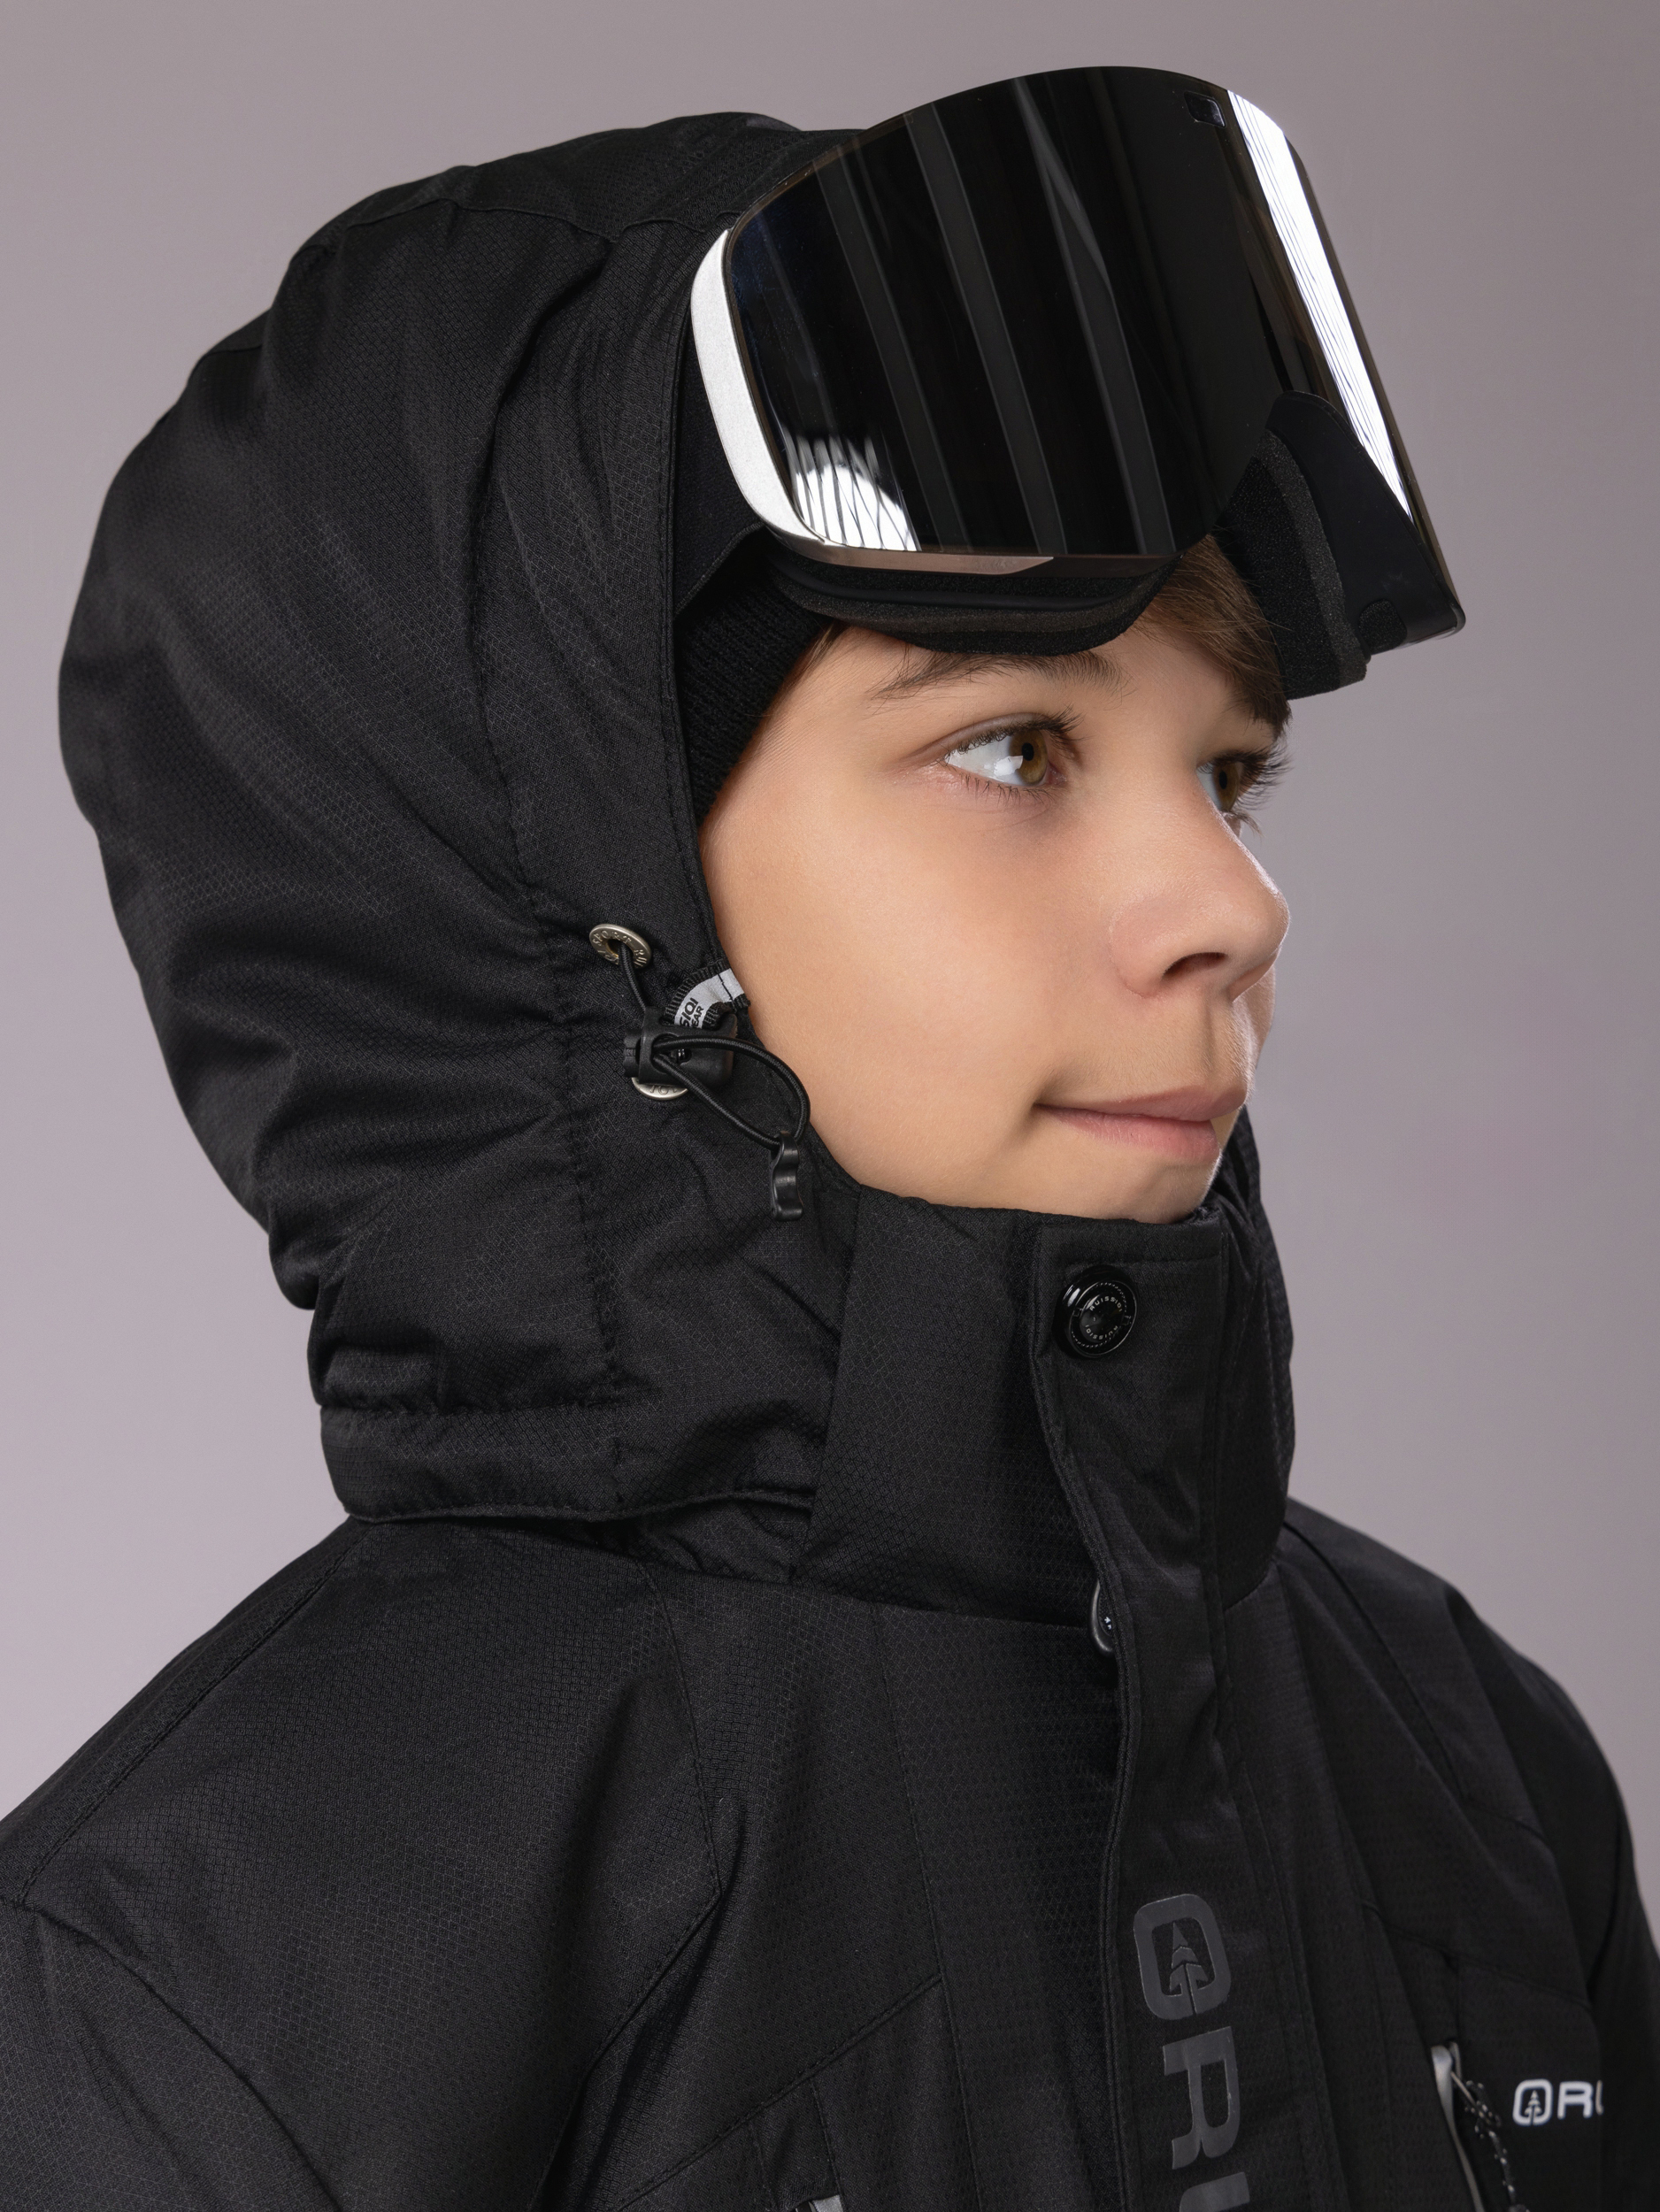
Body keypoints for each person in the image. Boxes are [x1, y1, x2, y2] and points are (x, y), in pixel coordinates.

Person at [3, 69, 1655, 2211]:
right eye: (1012, 745)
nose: (1230, 904)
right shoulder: (203, 2000)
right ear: (573, 904)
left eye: (1227, 773)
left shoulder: (1471, 1759)